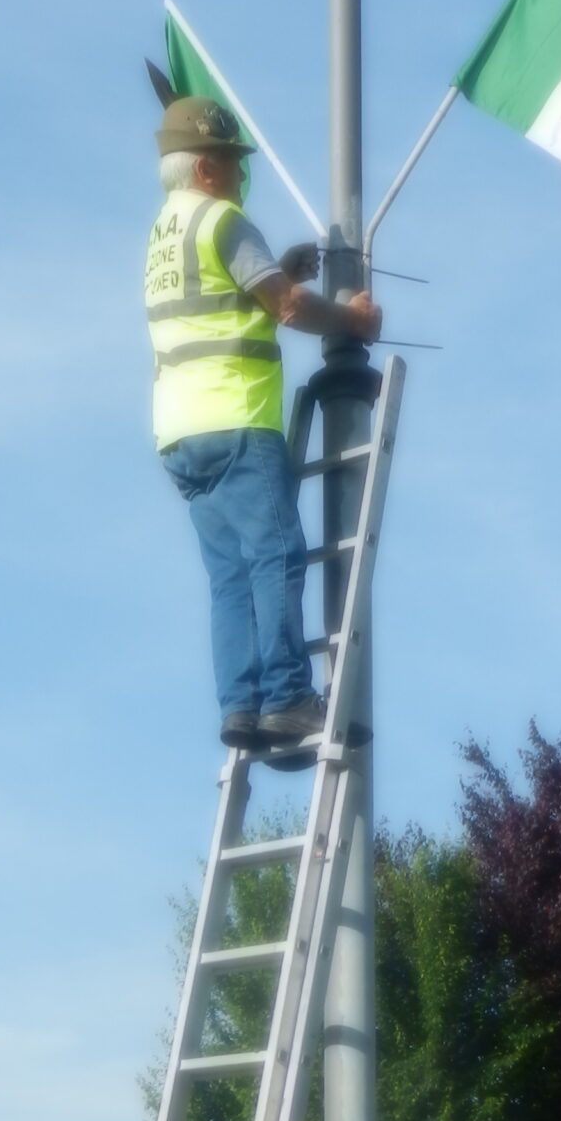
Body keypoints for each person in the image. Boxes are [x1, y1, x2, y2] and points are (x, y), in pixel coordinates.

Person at [145, 95, 383, 752]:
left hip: (181, 435)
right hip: (238, 417)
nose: (240, 175)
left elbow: (224, 301)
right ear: (207, 169)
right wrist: (353, 321)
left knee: (229, 575)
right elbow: (284, 308)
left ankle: (240, 706)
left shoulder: (165, 235)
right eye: (232, 162)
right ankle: (286, 697)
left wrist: (282, 262)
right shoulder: (224, 222)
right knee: (276, 556)